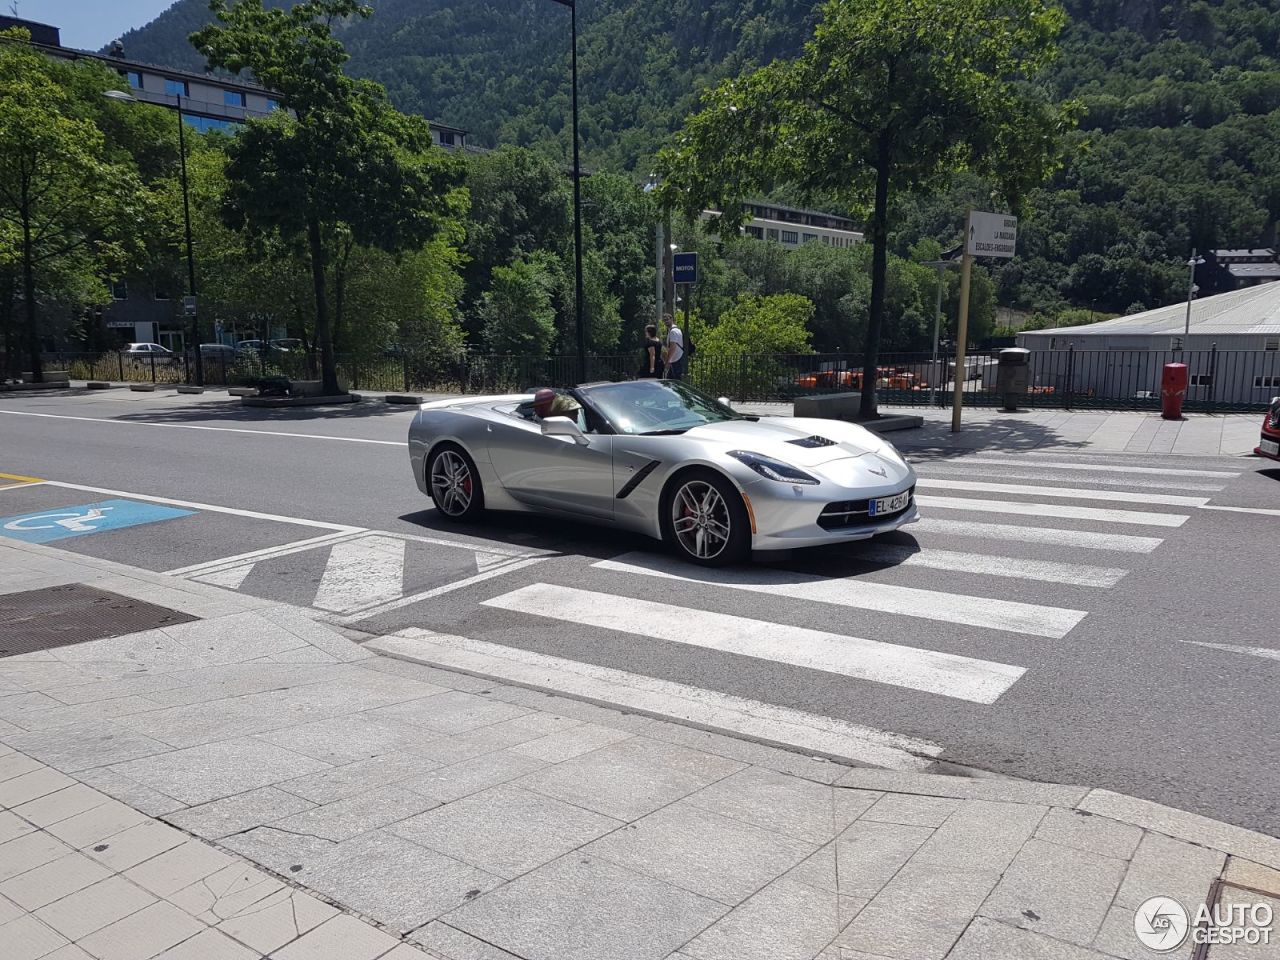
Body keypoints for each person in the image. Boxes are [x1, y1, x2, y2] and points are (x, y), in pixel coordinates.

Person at [664, 314, 685, 380]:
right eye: (664, 320)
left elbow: (673, 347)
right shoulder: (676, 330)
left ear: (672, 319)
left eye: (667, 319)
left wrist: (668, 361)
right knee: (671, 381)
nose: (666, 322)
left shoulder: (673, 331)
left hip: (676, 359)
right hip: (676, 359)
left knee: (675, 382)